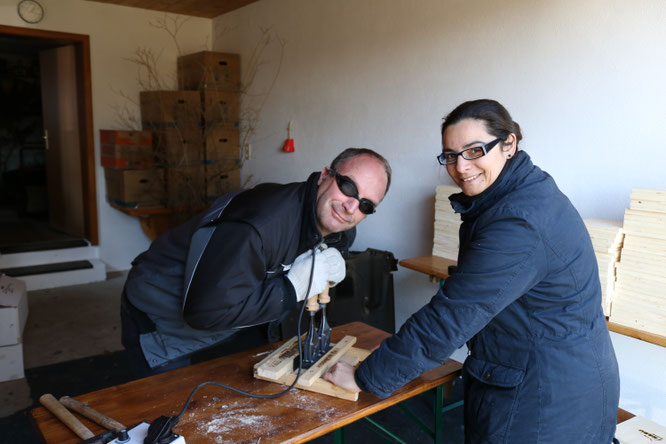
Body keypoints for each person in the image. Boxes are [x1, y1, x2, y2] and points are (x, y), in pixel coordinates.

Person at [325, 100, 620, 443]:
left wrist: (365, 377)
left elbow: (452, 316)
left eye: (474, 150)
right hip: (558, 379)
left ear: (508, 144)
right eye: (450, 155)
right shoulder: (519, 194)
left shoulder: (518, 220)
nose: (461, 167)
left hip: (544, 400)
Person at [121, 148, 391, 378]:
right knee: (165, 419)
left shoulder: (341, 228)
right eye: (348, 187)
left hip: (236, 318)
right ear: (324, 176)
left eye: (366, 205)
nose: (351, 207)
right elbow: (205, 313)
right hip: (163, 311)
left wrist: (337, 259)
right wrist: (291, 289)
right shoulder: (260, 226)